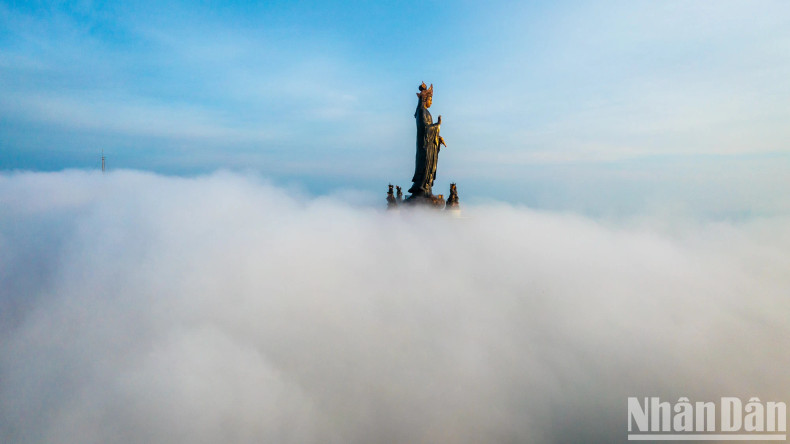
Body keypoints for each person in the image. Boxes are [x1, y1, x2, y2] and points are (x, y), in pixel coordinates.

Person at [408, 82, 446, 197]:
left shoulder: (426, 112)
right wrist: (438, 125)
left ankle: (427, 187)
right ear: (425, 100)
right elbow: (425, 129)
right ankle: (421, 187)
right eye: (430, 100)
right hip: (424, 147)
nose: (431, 102)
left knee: (430, 168)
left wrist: (438, 138)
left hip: (429, 145)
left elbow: (429, 129)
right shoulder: (421, 111)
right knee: (424, 166)